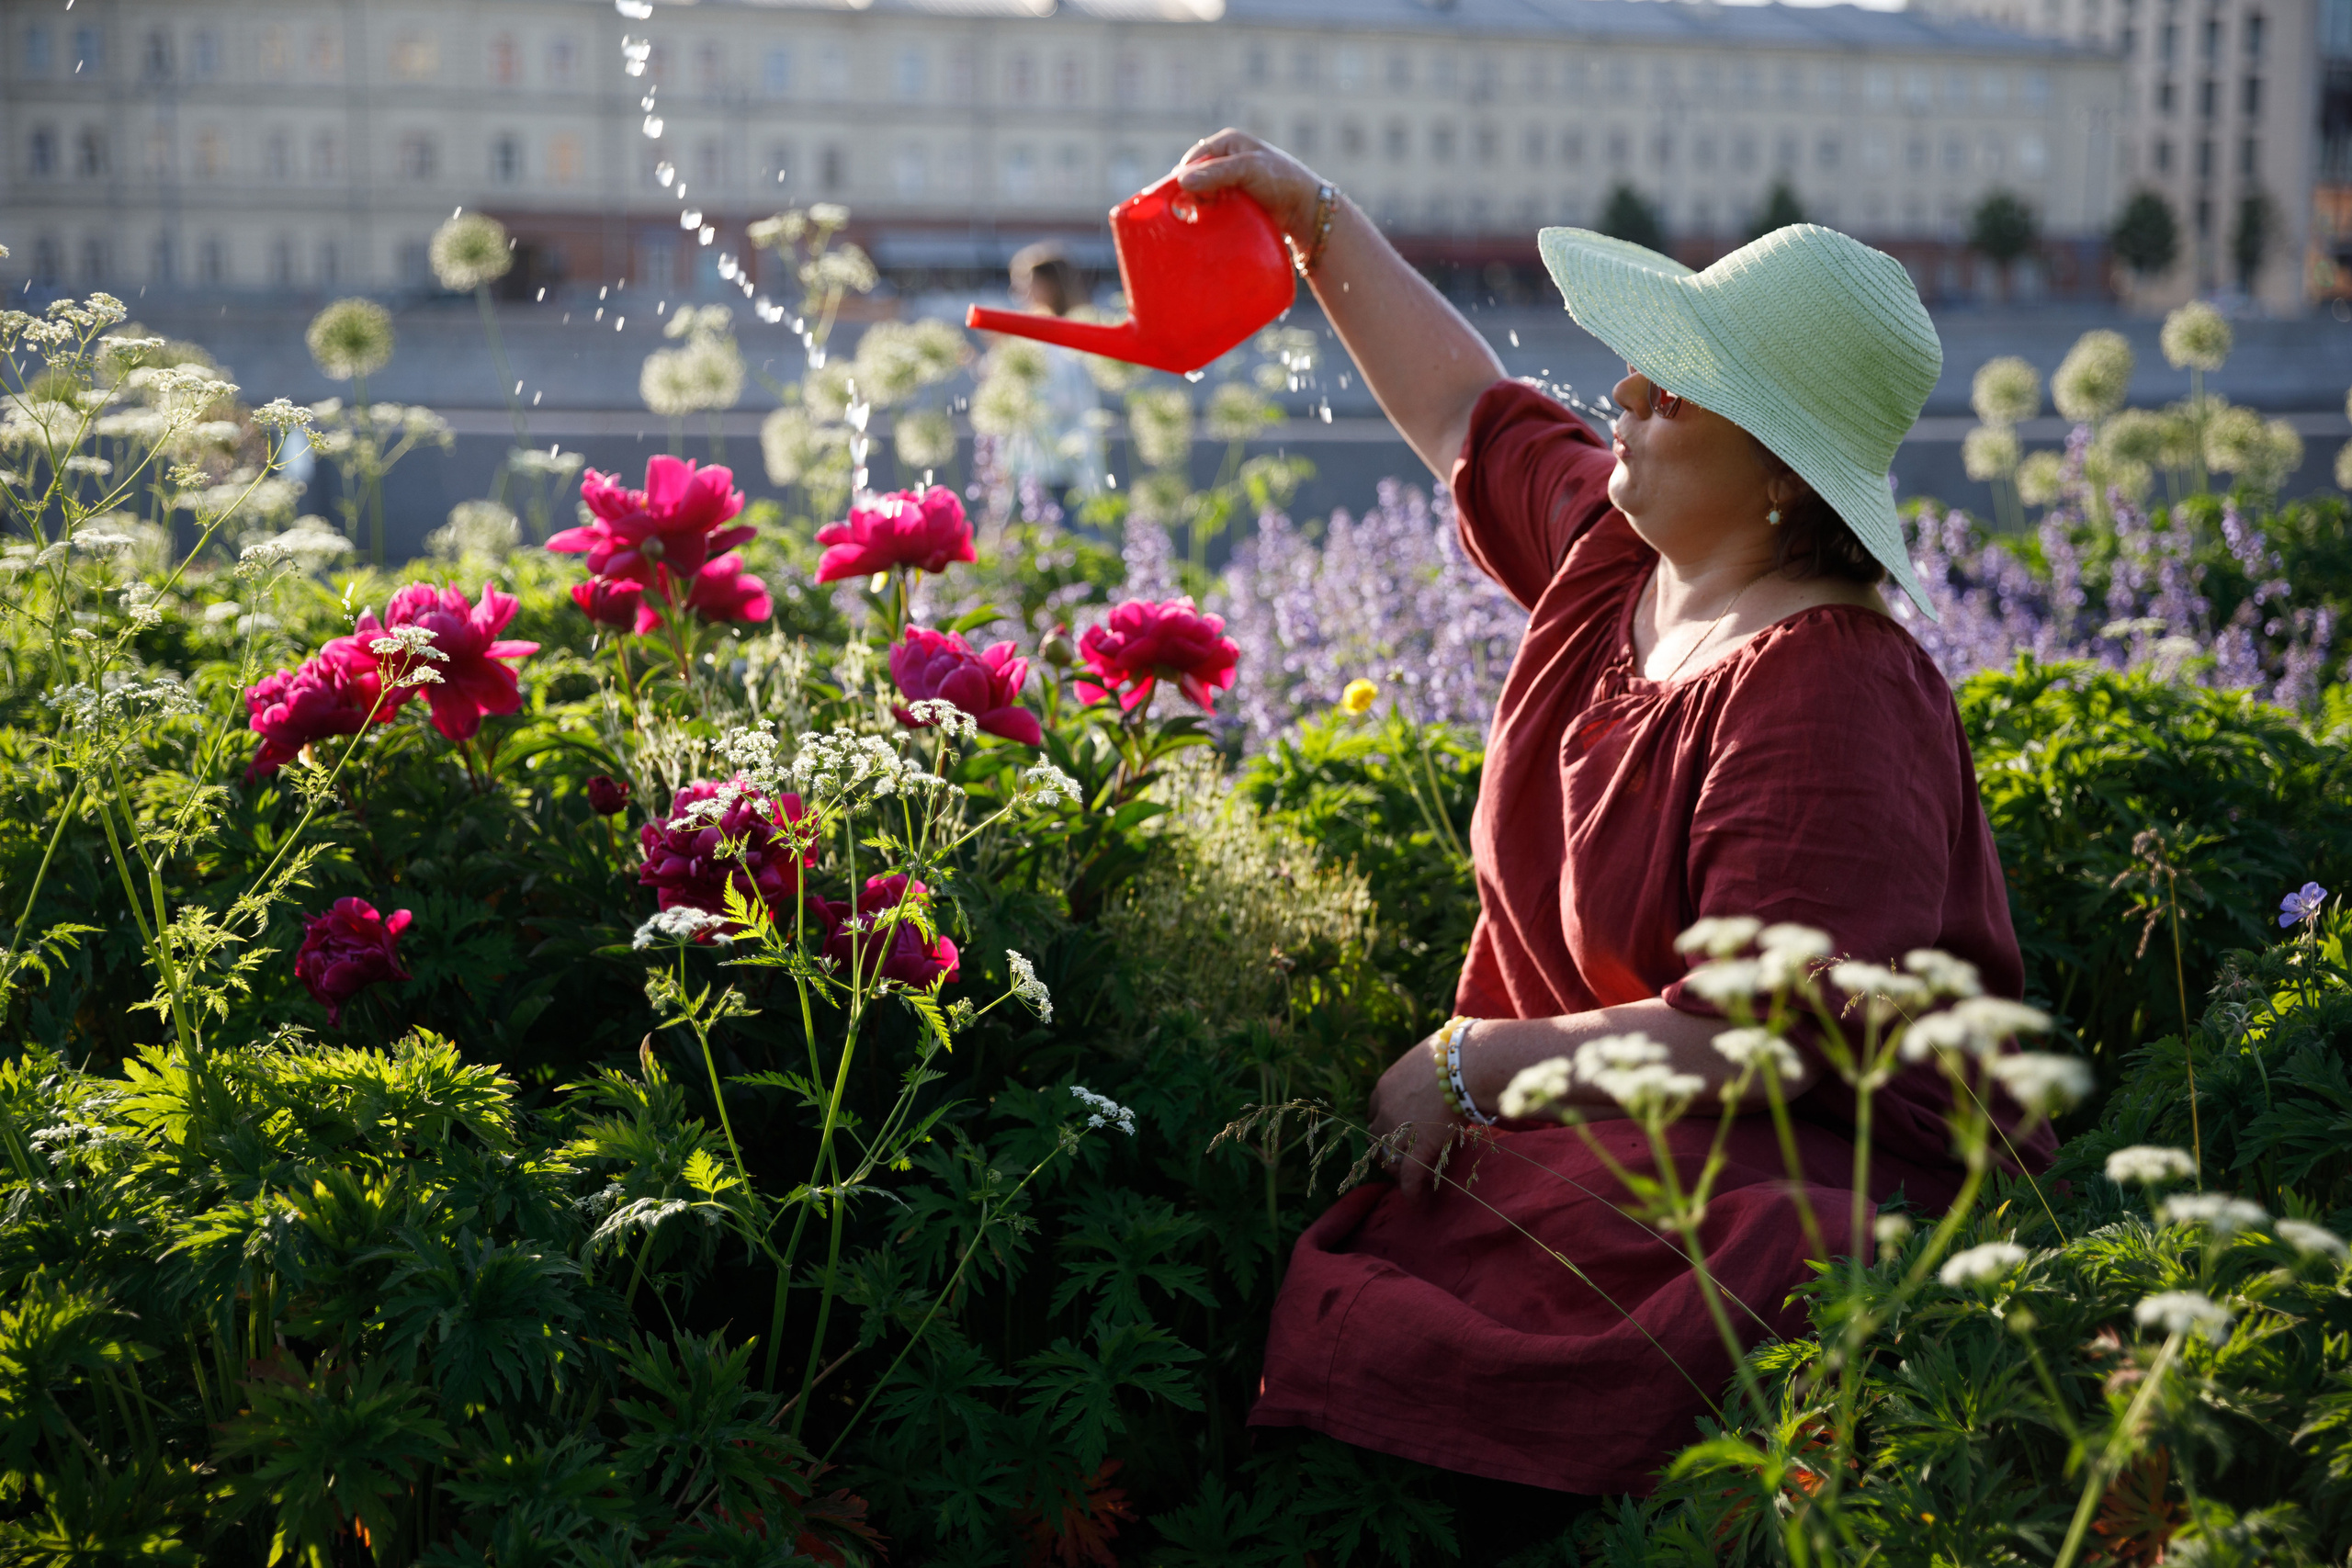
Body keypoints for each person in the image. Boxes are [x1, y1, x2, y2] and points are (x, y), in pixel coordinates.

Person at [1170, 130, 2056, 1549]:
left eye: (1677, 384)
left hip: (1797, 1164)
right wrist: (1308, 215)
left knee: (1560, 1278)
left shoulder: (1832, 678)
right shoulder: (1624, 554)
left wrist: (1465, 1062)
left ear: (1781, 470)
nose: (1627, 393)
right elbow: (1467, 409)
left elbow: (1763, 1040)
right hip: (1612, 1129)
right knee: (1415, 1257)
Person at [997, 240, 1103, 496]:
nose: (1017, 294)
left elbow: (1060, 399)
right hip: (1043, 465)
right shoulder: (1049, 335)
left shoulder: (1061, 338)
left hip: (1056, 469)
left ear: (1048, 286)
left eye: (1023, 284)